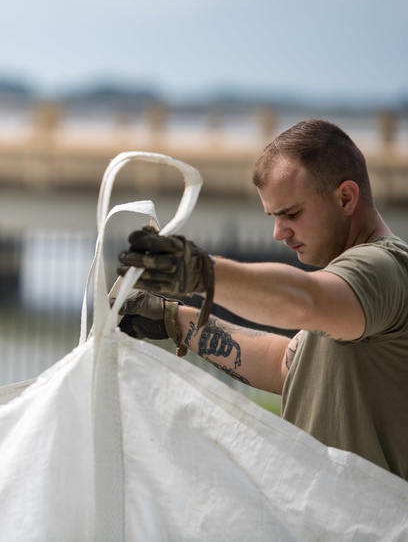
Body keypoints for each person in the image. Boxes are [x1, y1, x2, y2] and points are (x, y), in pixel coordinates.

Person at [116, 118, 408, 481]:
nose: (278, 233)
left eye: (291, 214)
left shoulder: (385, 267)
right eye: (273, 216)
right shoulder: (351, 296)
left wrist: (198, 272)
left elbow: (303, 301)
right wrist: (172, 319)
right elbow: (286, 367)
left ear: (346, 197)